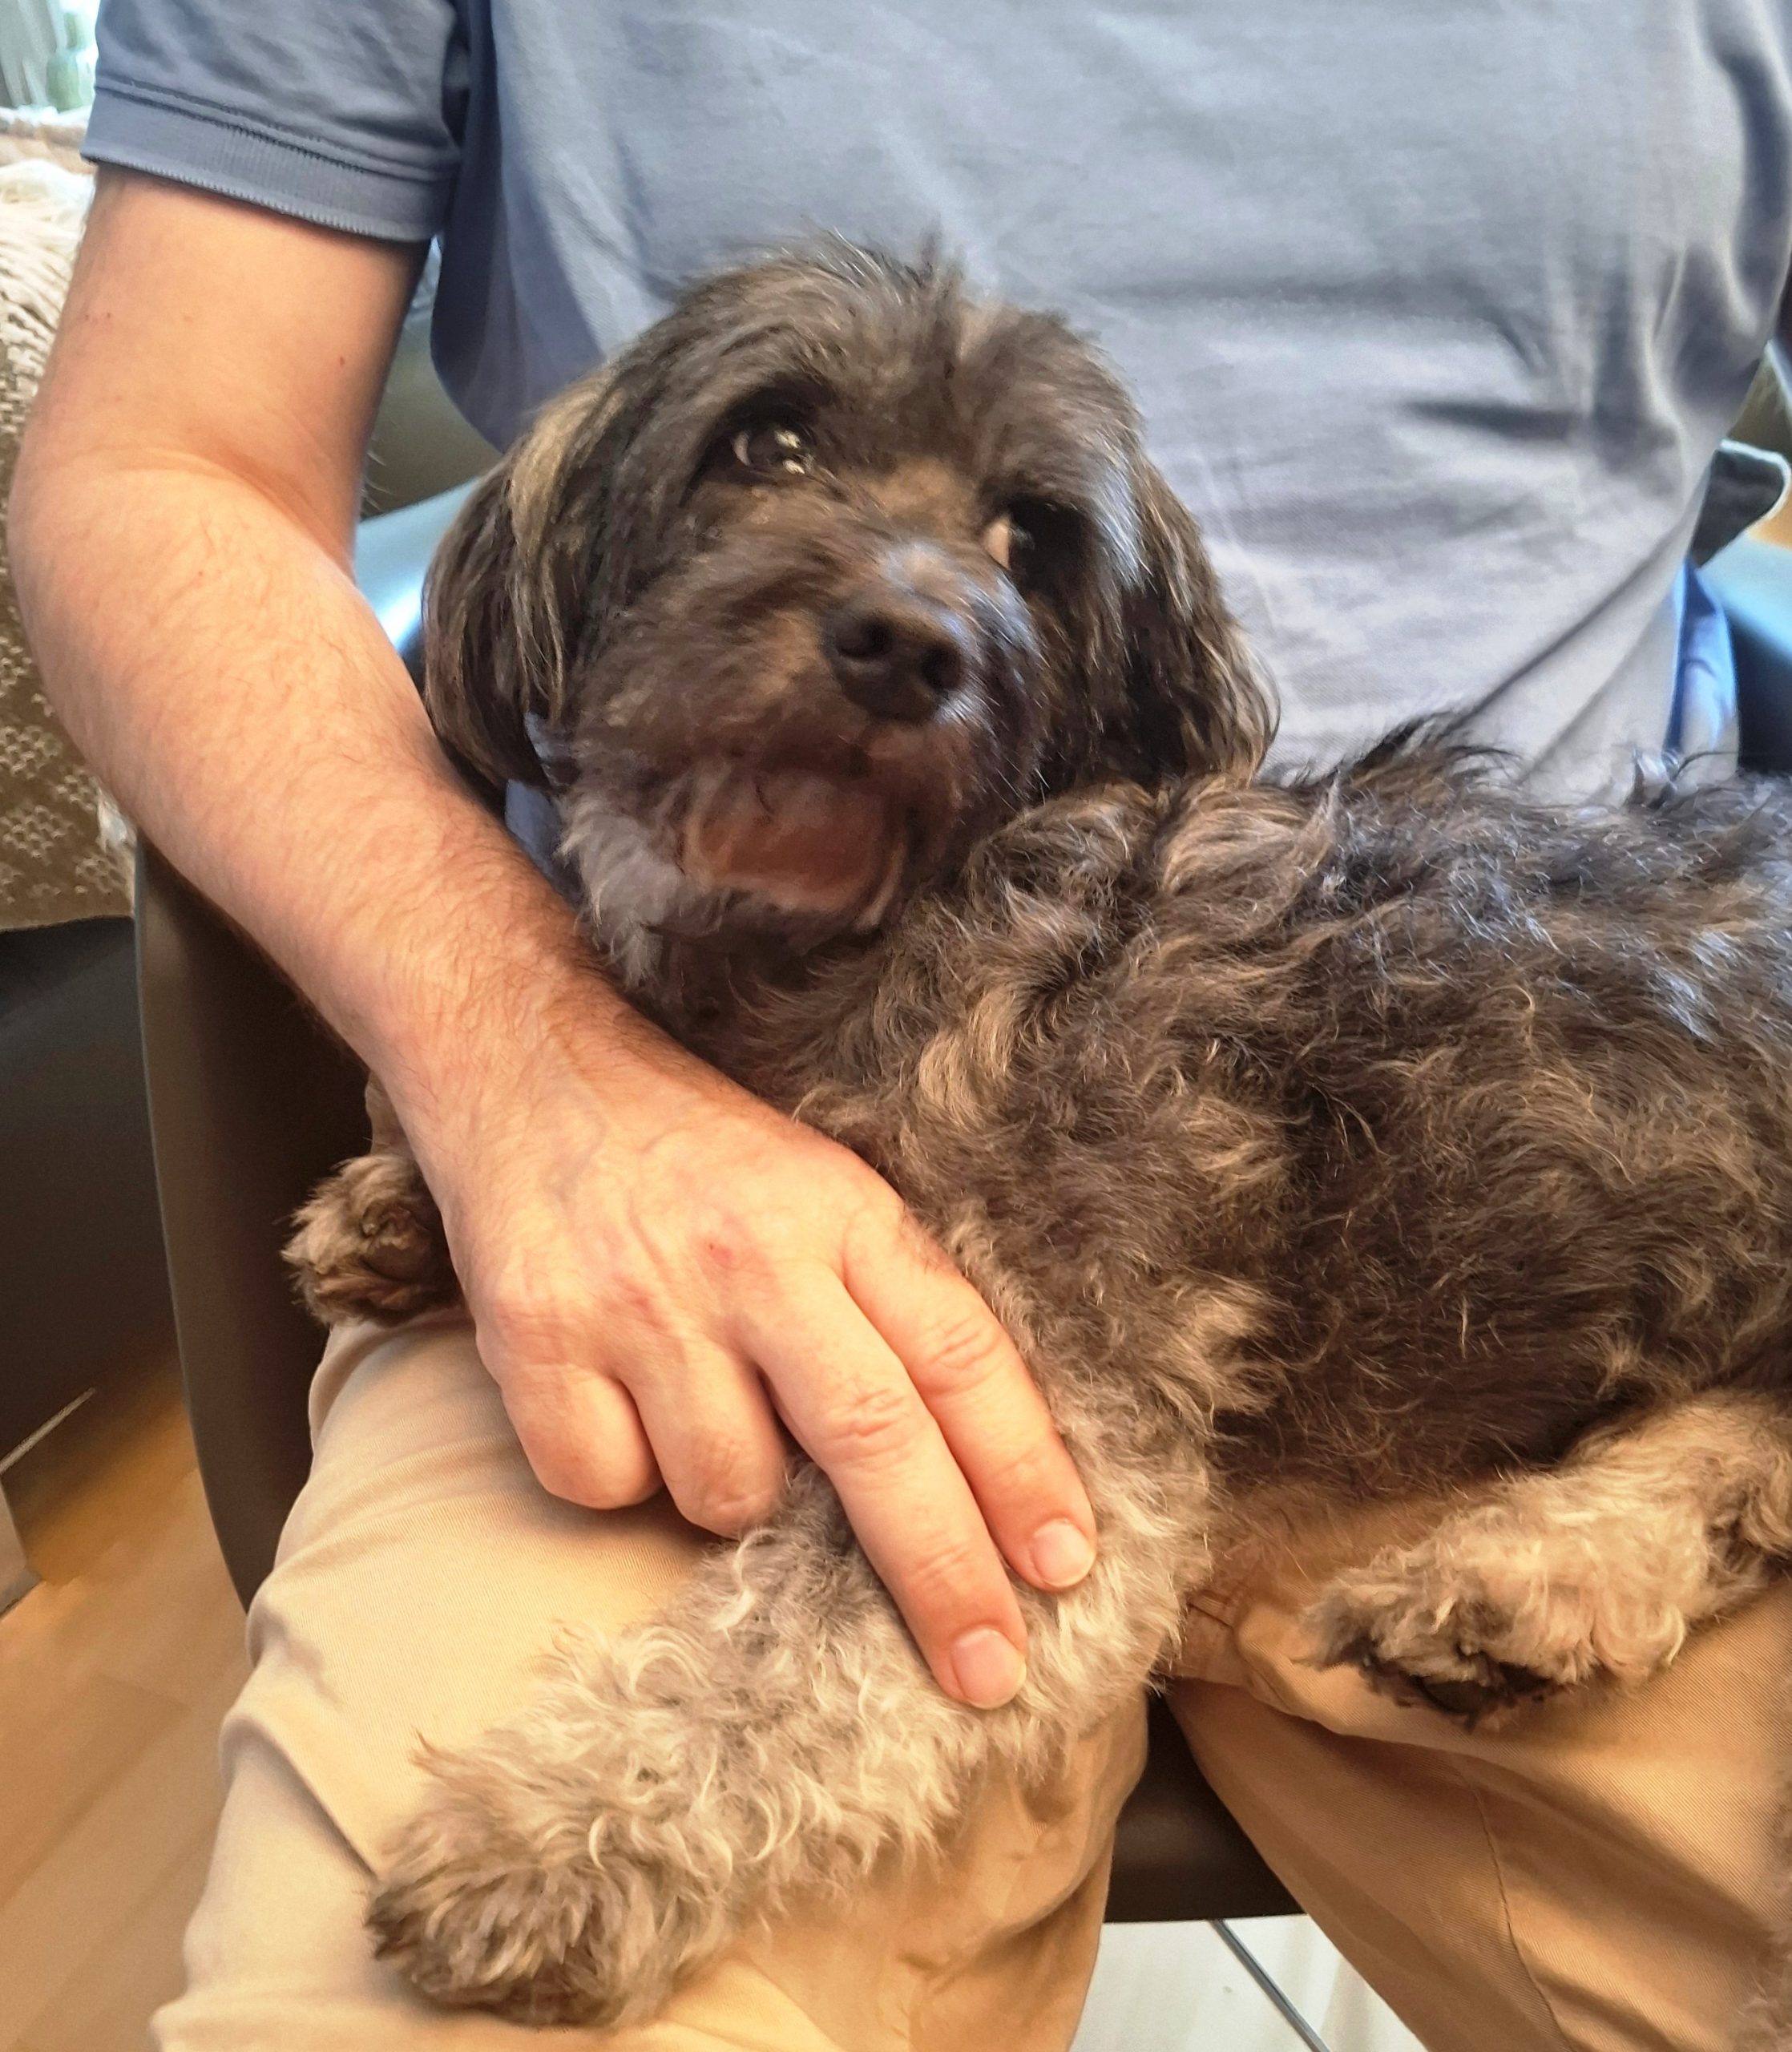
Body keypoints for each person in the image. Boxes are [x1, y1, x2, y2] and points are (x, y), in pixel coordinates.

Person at [13, 6, 1792, 2047]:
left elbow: (1057, 1500)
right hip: (620, 1190)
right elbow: (159, 464)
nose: (908, 598)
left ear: (1105, 694)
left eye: (1023, 544)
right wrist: (512, 1075)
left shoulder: (1112, 1012)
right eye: (769, 448)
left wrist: (645, 1801)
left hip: (1546, 1351)